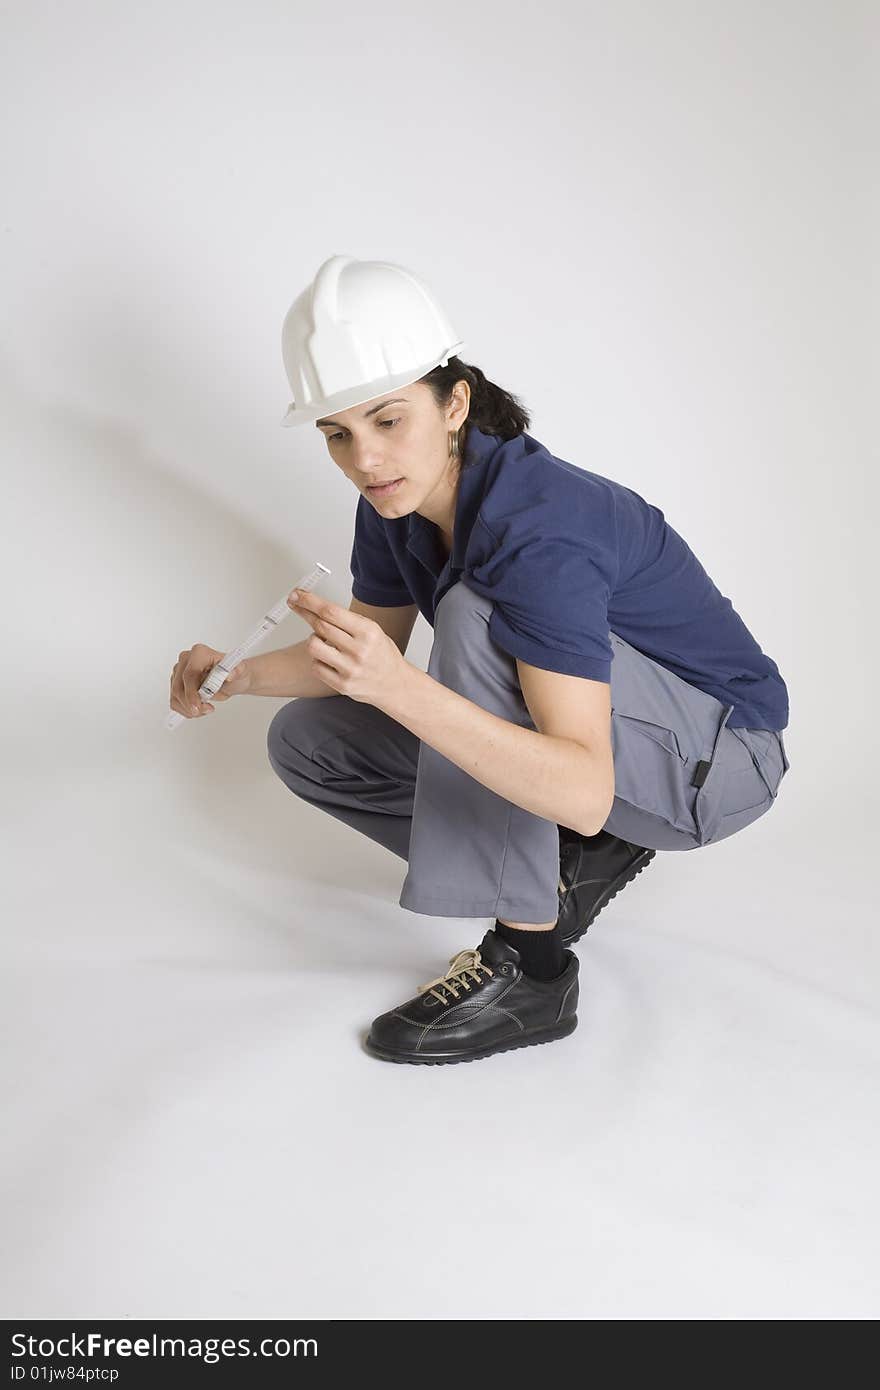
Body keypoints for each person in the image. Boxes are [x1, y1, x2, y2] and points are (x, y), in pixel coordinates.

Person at [170, 255, 791, 1067]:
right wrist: (237, 676)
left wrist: (400, 691)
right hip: (626, 746)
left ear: (454, 401)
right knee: (308, 740)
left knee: (473, 615)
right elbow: (363, 658)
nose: (364, 460)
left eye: (387, 421)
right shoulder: (395, 503)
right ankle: (567, 867)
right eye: (338, 434)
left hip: (719, 763)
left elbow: (579, 787)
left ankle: (532, 970)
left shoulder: (539, 528)